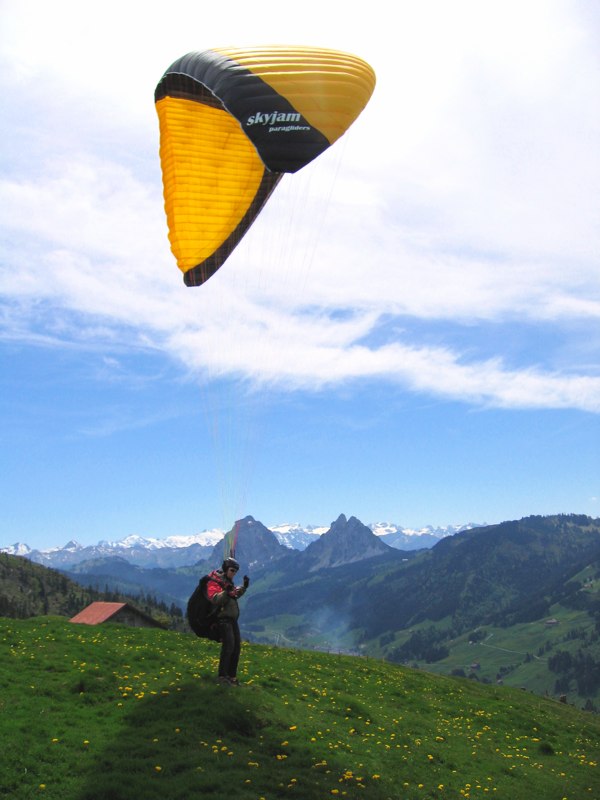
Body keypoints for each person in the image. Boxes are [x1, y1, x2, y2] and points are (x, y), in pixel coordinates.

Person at [205, 556, 250, 685]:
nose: (234, 573)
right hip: (222, 619)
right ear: (225, 569)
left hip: (232, 619)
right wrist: (226, 591)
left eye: (235, 571)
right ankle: (222, 676)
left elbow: (233, 594)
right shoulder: (215, 580)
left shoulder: (228, 582)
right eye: (232, 570)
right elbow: (214, 598)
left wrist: (243, 587)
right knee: (229, 646)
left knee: (236, 647)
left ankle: (232, 676)